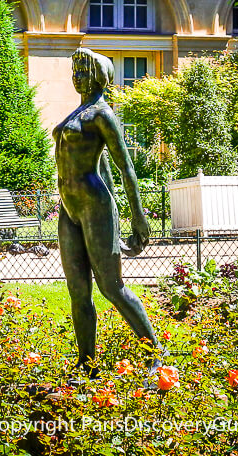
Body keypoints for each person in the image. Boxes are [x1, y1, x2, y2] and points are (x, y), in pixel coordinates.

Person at [53, 47, 159, 377]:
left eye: (83, 71)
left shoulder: (101, 114)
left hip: (94, 205)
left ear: (99, 77)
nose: (77, 76)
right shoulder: (77, 113)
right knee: (78, 291)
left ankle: (155, 354)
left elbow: (125, 167)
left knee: (111, 286)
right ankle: (87, 364)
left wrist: (137, 217)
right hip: (69, 208)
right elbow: (106, 169)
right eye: (74, 71)